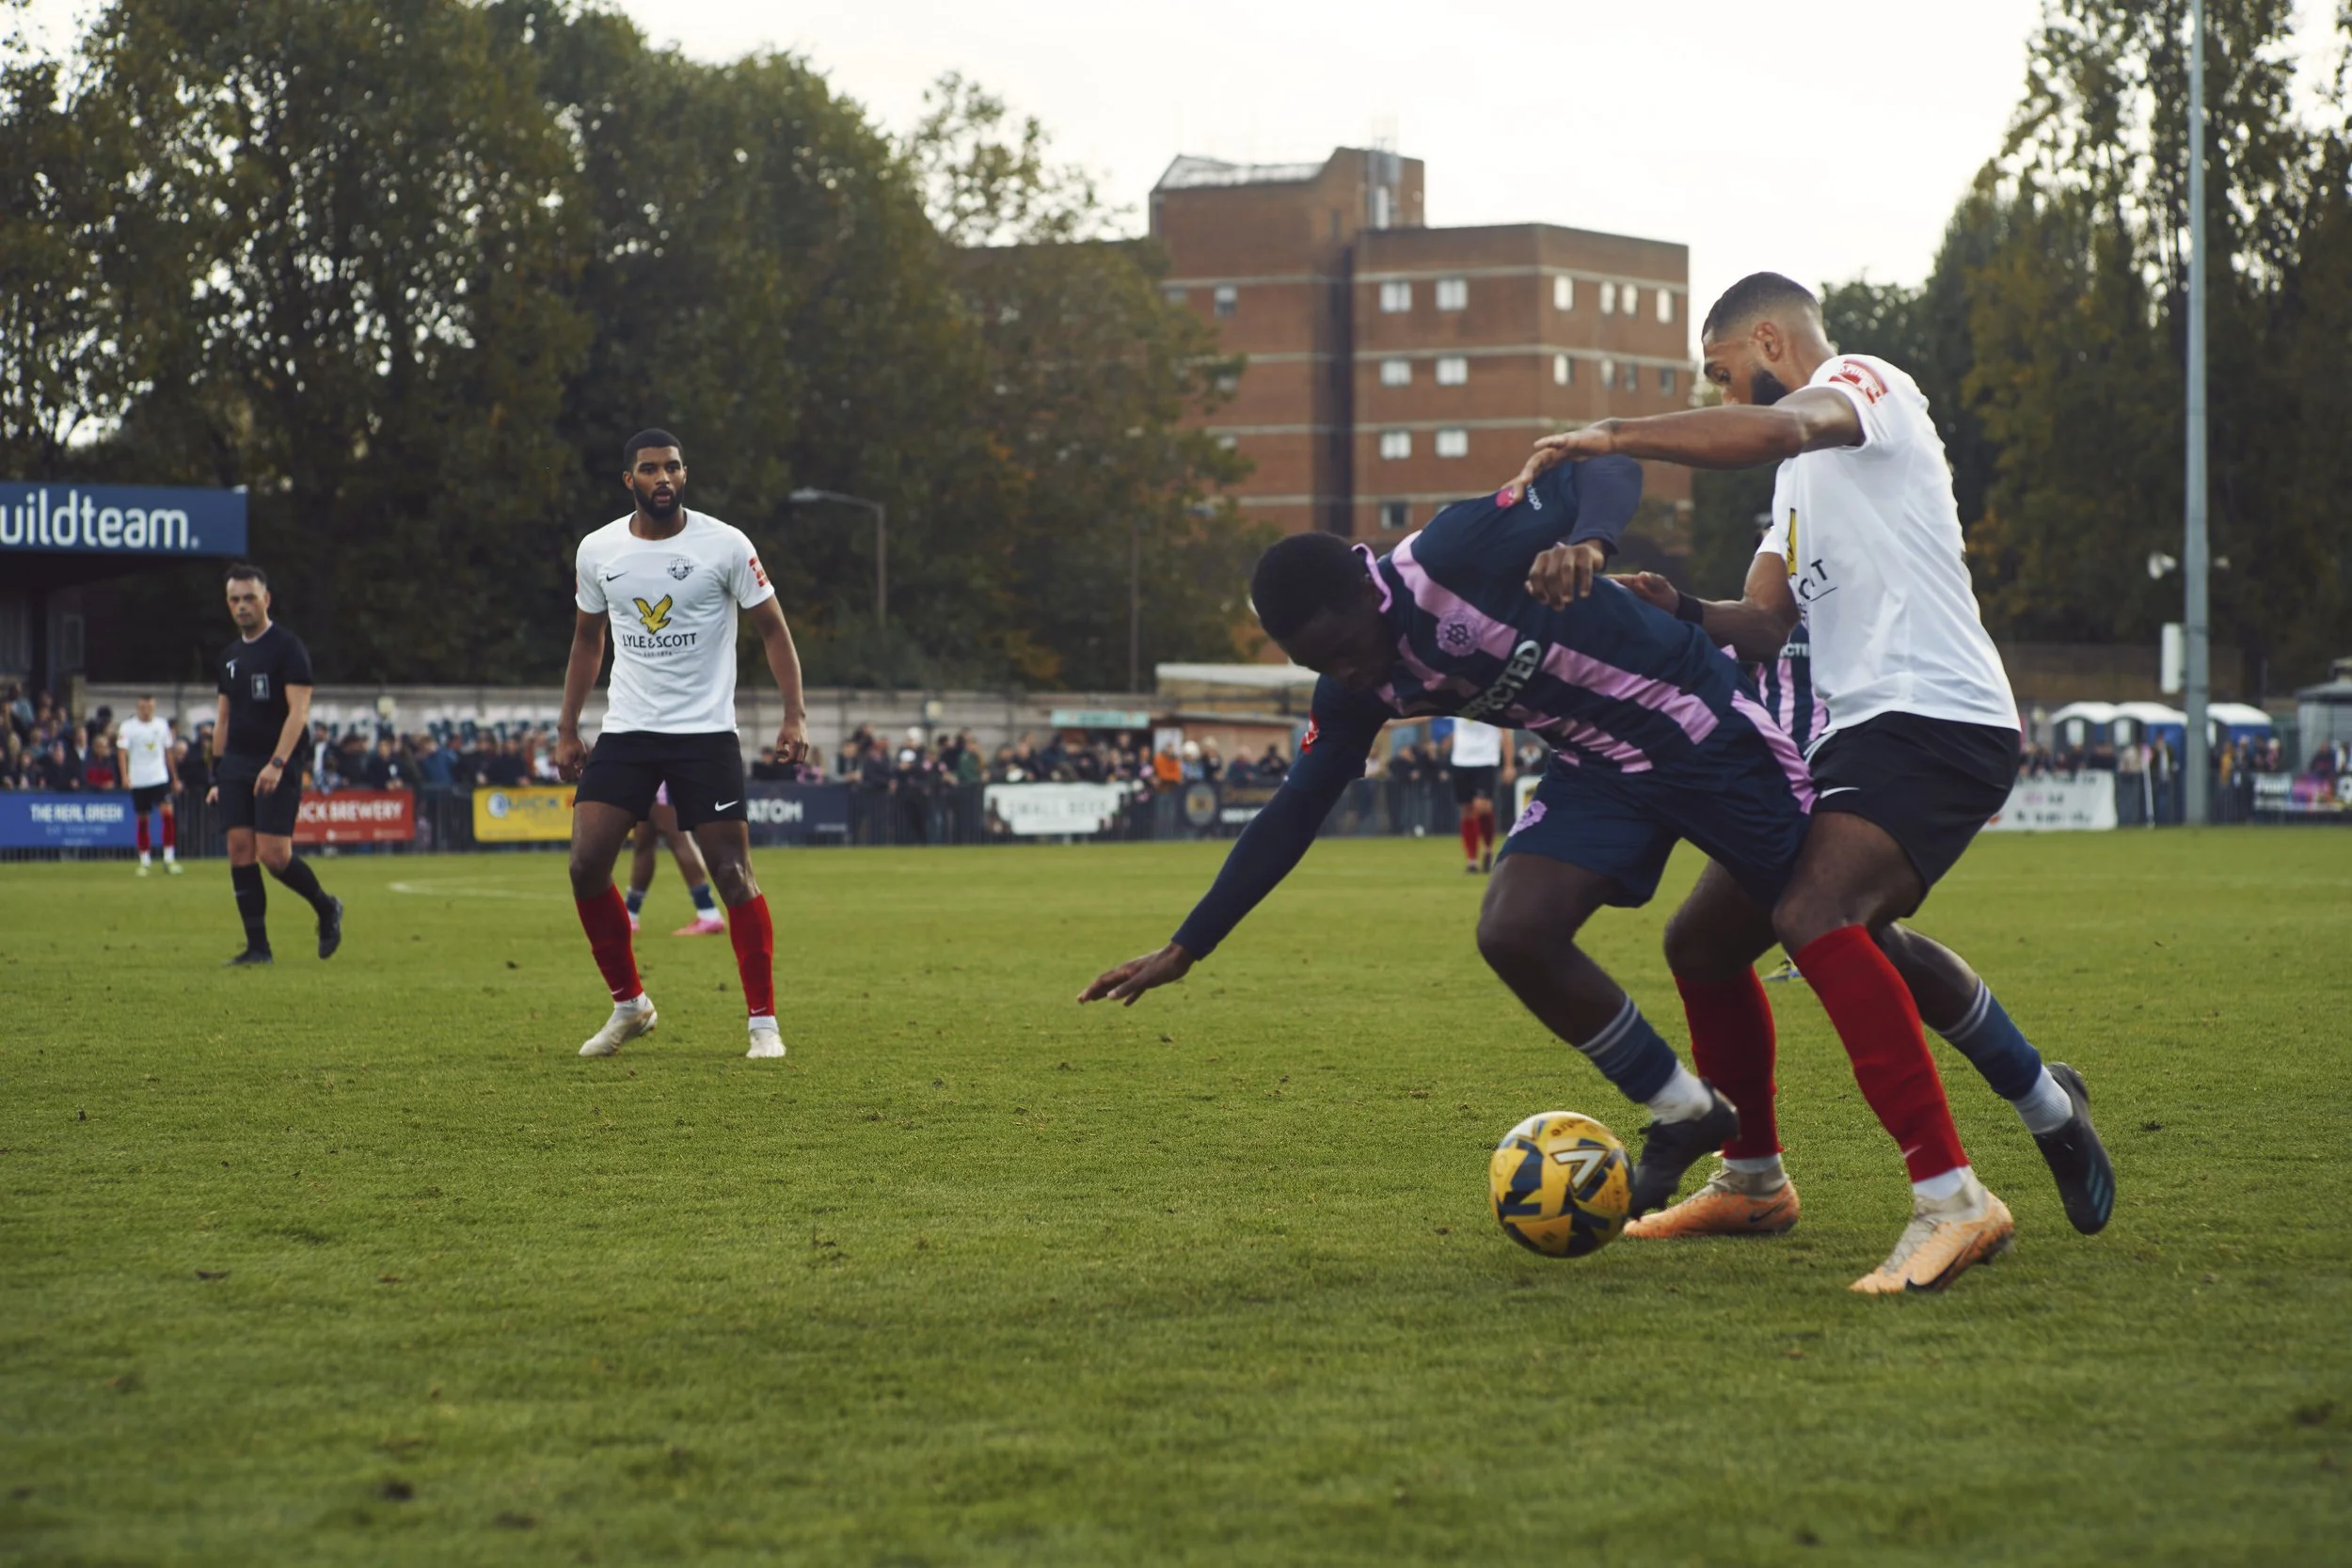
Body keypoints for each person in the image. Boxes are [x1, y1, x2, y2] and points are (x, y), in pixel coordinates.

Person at [1083, 455, 1925, 1285]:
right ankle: (1686, 1110)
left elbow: (1606, 464)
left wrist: (1591, 541)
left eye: (1348, 651)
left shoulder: (1452, 552)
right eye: (1324, 668)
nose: (1350, 675)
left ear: (1368, 595)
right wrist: (1190, 944)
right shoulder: (1356, 688)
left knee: (1834, 927)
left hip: (1699, 725)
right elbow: (1293, 811)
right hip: (1601, 765)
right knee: (1516, 928)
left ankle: (2028, 1092)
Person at [1500, 270, 2110, 1280]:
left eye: (1722, 371)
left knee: (1820, 912)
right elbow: (1765, 625)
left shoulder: (1867, 383)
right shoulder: (1791, 490)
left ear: (1772, 342)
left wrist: (1615, 434)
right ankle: (1755, 1181)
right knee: (1703, 941)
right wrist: (1673, 606)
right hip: (1854, 736)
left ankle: (1952, 1197)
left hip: (1940, 718)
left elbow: (1782, 428)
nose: (1724, 392)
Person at [556, 428, 808, 1060]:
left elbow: (774, 630)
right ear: (629, 480)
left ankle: (762, 1024)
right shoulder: (598, 549)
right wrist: (568, 726)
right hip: (628, 731)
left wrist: (794, 715)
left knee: (733, 872)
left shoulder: (726, 544)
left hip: (704, 735)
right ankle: (629, 1005)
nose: (662, 477)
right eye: (649, 468)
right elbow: (589, 642)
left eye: (671, 466)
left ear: (684, 474)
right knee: (586, 862)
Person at [205, 563, 342, 965]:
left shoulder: (287, 647)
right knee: (239, 850)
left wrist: (278, 763)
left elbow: (298, 713)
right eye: (234, 599)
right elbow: (223, 719)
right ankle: (258, 948)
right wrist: (218, 774)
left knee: (274, 855)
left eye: (249, 598)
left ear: (266, 599)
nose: (242, 606)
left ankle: (326, 906)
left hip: (275, 762)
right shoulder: (229, 656)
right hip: (235, 764)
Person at [625, 784, 727, 936]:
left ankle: (708, 912)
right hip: (646, 773)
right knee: (644, 840)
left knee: (677, 836)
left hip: (661, 774)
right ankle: (629, 914)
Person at [116, 695, 183, 876]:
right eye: (143, 707)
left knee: (168, 814)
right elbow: (122, 752)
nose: (147, 711)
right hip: (139, 779)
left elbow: (168, 753)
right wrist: (125, 776)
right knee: (143, 820)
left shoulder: (161, 725)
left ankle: (169, 858)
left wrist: (174, 778)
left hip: (159, 777)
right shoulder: (128, 727)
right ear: (138, 708)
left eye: (150, 707)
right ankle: (145, 861)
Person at [1446, 717, 1513, 875]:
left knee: (1482, 807)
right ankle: (1472, 860)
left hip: (1486, 760)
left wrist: (1508, 765)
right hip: (1460, 761)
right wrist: (1394, 723)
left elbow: (1506, 734)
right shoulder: (1456, 702)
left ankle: (1488, 848)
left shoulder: (1491, 704)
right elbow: (1427, 714)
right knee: (1467, 810)